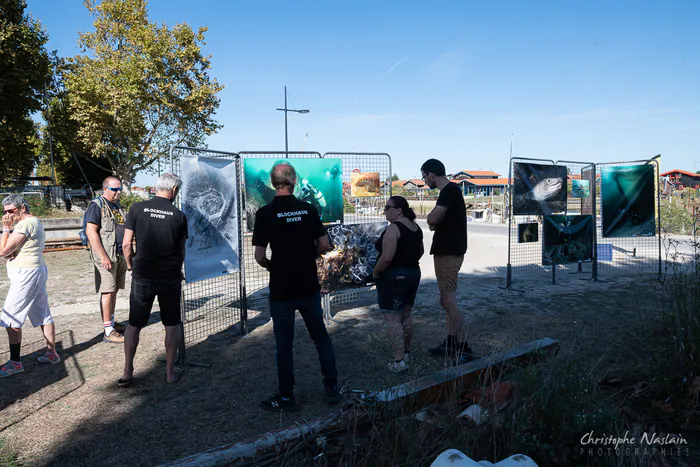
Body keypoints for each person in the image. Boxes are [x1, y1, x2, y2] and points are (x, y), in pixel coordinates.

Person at [253, 162, 340, 412]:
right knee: (320, 337)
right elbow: (324, 244)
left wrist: (273, 266)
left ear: (273, 183)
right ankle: (332, 387)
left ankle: (286, 397)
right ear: (294, 181)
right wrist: (307, 257)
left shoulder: (265, 213)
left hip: (281, 289)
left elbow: (259, 256)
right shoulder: (308, 210)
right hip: (308, 285)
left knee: (284, 344)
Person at [119, 173, 187, 386]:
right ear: (174, 190)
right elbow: (181, 250)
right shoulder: (179, 215)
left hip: (143, 275)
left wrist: (131, 266)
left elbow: (126, 244)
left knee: (134, 324)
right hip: (170, 276)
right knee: (171, 325)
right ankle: (169, 372)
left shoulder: (136, 209)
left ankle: (128, 370)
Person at [0, 194, 59, 377]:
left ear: (21, 208)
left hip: (26, 274)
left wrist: (5, 228)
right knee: (42, 313)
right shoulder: (32, 222)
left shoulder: (26, 224)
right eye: (4, 212)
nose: (7, 215)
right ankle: (51, 353)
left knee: (10, 317)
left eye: (11, 211)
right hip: (33, 271)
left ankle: (15, 362)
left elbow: (4, 250)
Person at [421, 159, 474, 361]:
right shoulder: (450, 192)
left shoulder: (450, 191)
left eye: (424, 177)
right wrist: (435, 220)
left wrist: (432, 219)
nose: (425, 181)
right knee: (446, 300)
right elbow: (436, 222)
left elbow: (432, 220)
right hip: (447, 250)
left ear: (432, 175)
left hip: (449, 251)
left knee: (448, 301)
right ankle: (451, 342)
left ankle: (464, 346)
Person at [372, 196, 423, 373]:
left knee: (393, 319)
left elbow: (386, 257)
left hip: (394, 276)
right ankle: (406, 354)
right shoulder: (416, 227)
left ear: (399, 209)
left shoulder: (394, 228)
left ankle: (399, 361)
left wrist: (376, 272)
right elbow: (421, 251)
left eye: (388, 208)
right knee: (406, 315)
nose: (385, 211)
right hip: (413, 273)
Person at [85, 176, 128, 344]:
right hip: (106, 256)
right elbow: (91, 232)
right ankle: (108, 331)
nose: (118, 193)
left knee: (115, 289)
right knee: (107, 291)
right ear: (105, 189)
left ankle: (111, 322)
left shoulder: (117, 206)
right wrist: (103, 256)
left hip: (118, 254)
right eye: (114, 189)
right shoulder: (97, 206)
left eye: (120, 189)